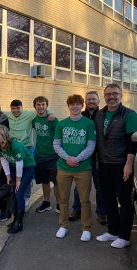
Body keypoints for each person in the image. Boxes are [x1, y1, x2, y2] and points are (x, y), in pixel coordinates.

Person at [95, 83, 137, 249]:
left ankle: (124, 236)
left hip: (122, 164)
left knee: (124, 200)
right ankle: (112, 231)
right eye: (108, 94)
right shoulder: (100, 115)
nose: (111, 97)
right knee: (108, 199)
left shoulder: (129, 115)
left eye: (115, 94)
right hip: (105, 165)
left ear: (121, 95)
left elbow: (132, 143)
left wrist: (129, 164)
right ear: (104, 96)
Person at [53, 94, 96, 242]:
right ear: (69, 106)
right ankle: (63, 225)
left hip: (83, 167)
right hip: (64, 167)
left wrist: (77, 159)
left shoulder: (89, 124)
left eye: (78, 104)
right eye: (72, 104)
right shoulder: (62, 124)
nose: (75, 106)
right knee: (63, 199)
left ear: (82, 106)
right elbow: (56, 144)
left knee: (84, 200)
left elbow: (91, 145)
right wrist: (67, 158)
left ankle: (86, 228)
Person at [3, 99, 53, 205]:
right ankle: (16, 194)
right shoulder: (9, 114)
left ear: (22, 107)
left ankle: (26, 196)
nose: (16, 110)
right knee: (16, 173)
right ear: (10, 109)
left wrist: (51, 113)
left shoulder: (29, 114)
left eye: (18, 108)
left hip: (27, 148)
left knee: (27, 175)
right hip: (14, 148)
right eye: (13, 108)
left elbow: (42, 110)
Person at [69, 91, 107, 225]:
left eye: (94, 99)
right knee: (79, 186)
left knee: (100, 186)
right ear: (85, 102)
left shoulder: (104, 115)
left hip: (99, 157)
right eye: (89, 99)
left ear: (98, 101)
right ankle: (77, 209)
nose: (91, 101)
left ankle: (102, 212)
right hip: (82, 156)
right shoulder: (80, 115)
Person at [0, 125, 35, 234]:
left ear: (4, 136)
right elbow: (3, 160)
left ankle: (19, 222)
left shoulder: (15, 145)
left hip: (26, 167)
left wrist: (18, 181)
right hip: (14, 167)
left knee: (19, 193)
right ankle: (15, 219)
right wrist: (8, 177)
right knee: (14, 192)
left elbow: (20, 164)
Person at [32, 96, 61, 214]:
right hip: (39, 155)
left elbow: (60, 136)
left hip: (53, 155)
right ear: (34, 106)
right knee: (44, 181)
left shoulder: (53, 119)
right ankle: (46, 202)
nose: (41, 107)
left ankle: (60, 204)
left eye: (43, 104)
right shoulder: (33, 119)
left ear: (46, 106)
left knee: (56, 181)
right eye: (38, 104)